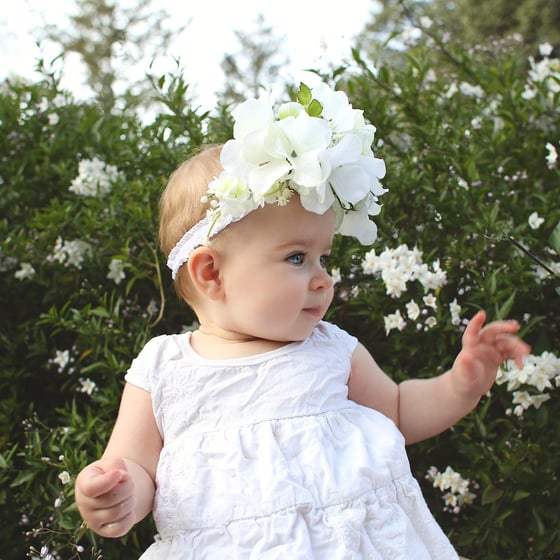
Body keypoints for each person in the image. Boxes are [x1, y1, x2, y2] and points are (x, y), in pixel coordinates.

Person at [74, 82, 530, 559]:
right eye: (297, 258)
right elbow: (133, 463)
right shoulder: (165, 367)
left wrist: (461, 383)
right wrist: (116, 492)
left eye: (323, 258)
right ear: (211, 273)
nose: (322, 279)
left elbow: (396, 411)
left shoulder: (331, 347)